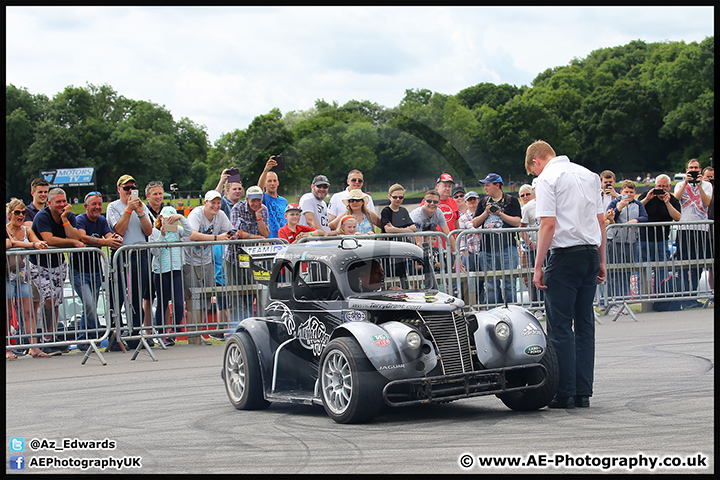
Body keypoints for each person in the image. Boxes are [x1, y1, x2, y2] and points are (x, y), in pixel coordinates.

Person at [525, 139, 606, 409]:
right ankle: (583, 392)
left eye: (532, 171)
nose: (534, 177)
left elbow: (548, 224)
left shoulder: (548, 178)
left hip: (564, 256)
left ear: (536, 161)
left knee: (560, 327)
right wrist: (602, 259)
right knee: (585, 326)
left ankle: (564, 392)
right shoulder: (589, 175)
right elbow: (600, 220)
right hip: (590, 253)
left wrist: (538, 266)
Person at [30, 187, 84, 355]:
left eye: (64, 201)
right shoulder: (42, 216)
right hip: (39, 264)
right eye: (58, 202)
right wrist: (72, 243)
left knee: (56, 302)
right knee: (48, 300)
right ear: (49, 203)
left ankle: (53, 336)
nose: (62, 205)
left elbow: (75, 236)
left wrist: (65, 219)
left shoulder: (69, 216)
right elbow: (48, 238)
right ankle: (46, 339)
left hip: (58, 264)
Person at [106, 174, 154, 350]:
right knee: (117, 295)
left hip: (140, 255)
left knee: (136, 296)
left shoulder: (141, 206)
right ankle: (115, 336)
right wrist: (128, 209)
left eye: (133, 189)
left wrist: (140, 212)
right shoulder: (113, 207)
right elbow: (118, 229)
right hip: (122, 255)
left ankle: (134, 335)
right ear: (119, 189)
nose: (130, 192)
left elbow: (148, 231)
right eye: (126, 189)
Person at [71, 192, 123, 349]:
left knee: (90, 305)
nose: (97, 207)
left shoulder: (101, 220)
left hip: (95, 270)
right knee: (89, 305)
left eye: (99, 204)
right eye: (94, 204)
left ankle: (84, 339)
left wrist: (115, 238)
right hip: (79, 271)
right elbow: (82, 237)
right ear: (86, 206)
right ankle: (95, 335)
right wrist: (106, 241)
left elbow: (109, 235)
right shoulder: (80, 219)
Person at [186, 190, 236, 345]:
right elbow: (192, 235)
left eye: (218, 202)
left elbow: (231, 230)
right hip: (189, 259)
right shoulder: (196, 214)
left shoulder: (220, 215)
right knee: (192, 298)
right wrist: (217, 238)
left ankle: (200, 333)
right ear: (205, 203)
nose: (215, 206)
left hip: (206, 260)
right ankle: (193, 335)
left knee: (205, 297)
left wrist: (231, 235)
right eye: (212, 202)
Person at [6, 198, 49, 358]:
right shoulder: (7, 229)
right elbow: (12, 243)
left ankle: (34, 347)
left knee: (29, 312)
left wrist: (39, 243)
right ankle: (7, 348)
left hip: (24, 276)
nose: (21, 215)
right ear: (10, 214)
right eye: (17, 212)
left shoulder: (26, 230)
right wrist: (32, 245)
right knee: (8, 314)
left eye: (23, 212)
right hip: (8, 276)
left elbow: (37, 242)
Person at [471, 173, 522, 305]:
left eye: (488, 185)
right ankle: (492, 312)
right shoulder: (483, 202)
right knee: (490, 285)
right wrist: (486, 212)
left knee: (509, 284)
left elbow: (517, 222)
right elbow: (475, 223)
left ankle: (512, 311)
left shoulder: (511, 201)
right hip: (487, 249)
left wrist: (500, 213)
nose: (485, 188)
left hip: (507, 247)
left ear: (497, 185)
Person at [226, 186, 270, 326]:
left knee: (250, 294)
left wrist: (258, 218)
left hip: (252, 258)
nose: (256, 203)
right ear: (247, 199)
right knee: (234, 293)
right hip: (233, 256)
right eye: (253, 200)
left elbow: (266, 234)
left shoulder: (264, 210)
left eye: (258, 200)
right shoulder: (237, 209)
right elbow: (235, 232)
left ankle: (248, 326)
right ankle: (235, 327)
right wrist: (254, 237)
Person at [149, 206, 191, 346]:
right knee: (162, 302)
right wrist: (162, 235)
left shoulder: (178, 230)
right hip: (161, 271)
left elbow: (189, 232)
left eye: (173, 219)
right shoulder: (154, 232)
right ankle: (161, 334)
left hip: (176, 268)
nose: (171, 222)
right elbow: (155, 251)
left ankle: (173, 331)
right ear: (161, 218)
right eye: (168, 219)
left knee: (179, 303)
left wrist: (181, 218)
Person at [673, 159, 713, 300]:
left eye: (696, 168)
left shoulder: (707, 185)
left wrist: (700, 186)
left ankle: (693, 294)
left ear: (700, 170)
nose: (693, 170)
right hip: (684, 228)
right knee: (683, 263)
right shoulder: (679, 184)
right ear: (686, 170)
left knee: (698, 264)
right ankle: (684, 294)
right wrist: (685, 183)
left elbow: (707, 202)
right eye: (691, 168)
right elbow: (676, 200)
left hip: (701, 230)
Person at [636, 174, 681, 293]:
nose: (661, 189)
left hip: (662, 239)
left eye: (664, 186)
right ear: (654, 186)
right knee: (643, 267)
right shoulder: (647, 195)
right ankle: (644, 295)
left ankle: (660, 292)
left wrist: (667, 203)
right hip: (644, 238)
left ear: (670, 187)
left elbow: (677, 217)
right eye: (659, 186)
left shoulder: (672, 199)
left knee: (662, 267)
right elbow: (635, 210)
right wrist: (647, 199)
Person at [605, 180, 648, 299]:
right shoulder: (615, 203)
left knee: (627, 272)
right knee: (614, 272)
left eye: (631, 192)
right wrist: (619, 207)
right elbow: (609, 218)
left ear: (634, 193)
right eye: (626, 192)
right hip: (615, 241)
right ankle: (611, 299)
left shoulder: (638, 204)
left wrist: (637, 220)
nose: (628, 194)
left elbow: (645, 217)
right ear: (621, 192)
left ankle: (623, 299)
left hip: (631, 242)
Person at [410, 189, 452, 270]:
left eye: (435, 202)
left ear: (439, 203)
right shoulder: (417, 216)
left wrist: (457, 254)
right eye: (429, 201)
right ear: (424, 202)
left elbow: (448, 234)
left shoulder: (439, 213)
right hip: (411, 244)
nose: (432, 204)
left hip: (425, 246)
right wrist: (428, 262)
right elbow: (419, 243)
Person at [518, 184, 543, 305]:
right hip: (530, 248)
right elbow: (521, 228)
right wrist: (529, 243)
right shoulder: (526, 208)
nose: (525, 197)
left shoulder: (545, 203)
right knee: (531, 278)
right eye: (522, 195)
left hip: (547, 245)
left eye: (528, 194)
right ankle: (536, 304)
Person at [257, 156, 289, 239]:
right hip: (270, 239)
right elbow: (259, 189)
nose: (272, 183)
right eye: (269, 181)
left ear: (278, 183)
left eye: (274, 181)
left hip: (283, 239)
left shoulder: (284, 201)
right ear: (265, 183)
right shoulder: (264, 198)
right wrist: (266, 170)